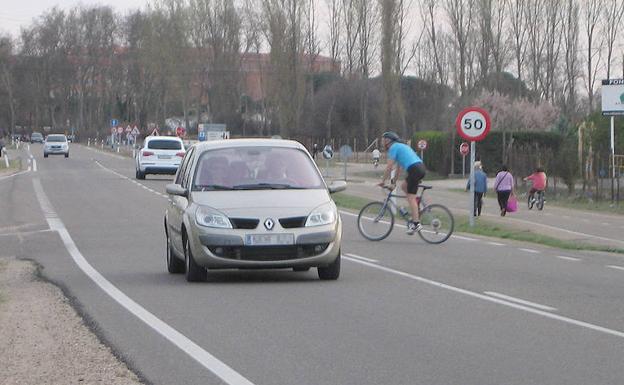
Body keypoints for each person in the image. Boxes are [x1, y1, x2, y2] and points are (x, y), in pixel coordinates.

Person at [378, 131, 426, 234]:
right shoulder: (400, 147)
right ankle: (417, 209)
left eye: (383, 140)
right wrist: (393, 183)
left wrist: (382, 181)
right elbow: (398, 169)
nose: (382, 142)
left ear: (388, 140)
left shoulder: (393, 148)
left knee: (410, 197)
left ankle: (416, 224)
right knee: (404, 186)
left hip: (414, 169)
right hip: (419, 168)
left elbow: (389, 166)